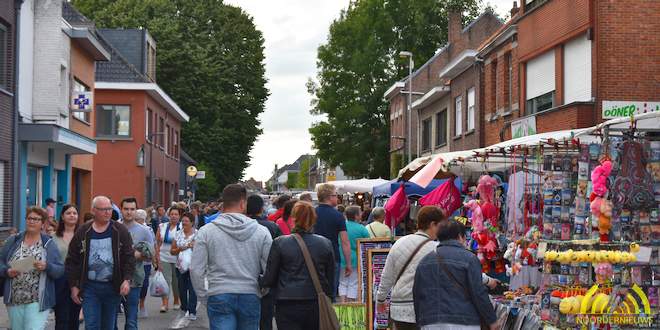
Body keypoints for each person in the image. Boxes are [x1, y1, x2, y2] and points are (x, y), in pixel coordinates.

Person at [191, 184, 273, 330]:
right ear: (242, 203)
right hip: (250, 293)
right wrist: (263, 290)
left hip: (219, 292)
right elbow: (270, 268)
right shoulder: (262, 232)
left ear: (223, 204)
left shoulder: (206, 232)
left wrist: (204, 296)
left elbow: (196, 269)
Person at [260, 201, 335, 330]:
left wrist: (258, 279)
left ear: (293, 219)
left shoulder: (280, 243)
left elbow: (270, 278)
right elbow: (330, 278)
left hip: (287, 302)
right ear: (313, 219)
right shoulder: (325, 243)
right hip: (315, 300)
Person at [413, 219, 498, 330]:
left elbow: (417, 294)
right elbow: (478, 293)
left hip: (430, 322)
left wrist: (420, 321)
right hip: (464, 321)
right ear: (460, 236)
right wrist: (491, 320)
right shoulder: (469, 259)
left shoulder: (424, 261)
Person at [66, 196, 135, 330]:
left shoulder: (120, 230)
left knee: (108, 326)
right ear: (93, 211)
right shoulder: (83, 231)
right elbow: (72, 260)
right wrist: (74, 286)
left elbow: (129, 258)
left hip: (112, 286)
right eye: (103, 209)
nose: (107, 212)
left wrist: (126, 279)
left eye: (109, 209)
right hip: (90, 287)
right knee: (91, 325)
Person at [375, 206, 444, 330]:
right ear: (433, 224)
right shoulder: (436, 249)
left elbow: (387, 276)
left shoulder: (399, 243)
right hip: (424, 309)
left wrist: (380, 300)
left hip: (398, 309)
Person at [0, 206, 64, 330]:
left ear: (43, 223)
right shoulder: (13, 241)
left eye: (36, 219)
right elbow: (1, 262)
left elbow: (59, 270)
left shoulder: (48, 244)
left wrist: (47, 266)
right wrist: (7, 271)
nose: (32, 221)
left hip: (38, 300)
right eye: (29, 218)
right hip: (14, 298)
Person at [117, 198, 154, 330]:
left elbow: (151, 254)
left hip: (134, 278)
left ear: (136, 210)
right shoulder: (113, 227)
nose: (129, 212)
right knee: (110, 320)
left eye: (132, 209)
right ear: (121, 209)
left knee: (131, 320)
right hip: (113, 279)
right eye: (126, 209)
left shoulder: (144, 231)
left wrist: (138, 255)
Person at [246, 194, 281, 330]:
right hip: (267, 279)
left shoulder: (241, 226)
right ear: (261, 208)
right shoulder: (272, 227)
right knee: (265, 319)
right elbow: (280, 253)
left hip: (246, 276)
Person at [313, 183, 352, 299]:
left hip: (313, 256)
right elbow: (345, 242)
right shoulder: (338, 216)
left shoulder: (312, 213)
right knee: (330, 292)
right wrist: (348, 263)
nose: (337, 198)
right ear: (330, 197)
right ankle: (329, 315)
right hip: (332, 256)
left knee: (314, 291)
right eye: (336, 195)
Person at [53, 204, 82, 330]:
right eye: (68, 213)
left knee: (74, 318)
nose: (72, 215)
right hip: (60, 281)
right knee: (61, 318)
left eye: (74, 213)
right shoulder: (53, 237)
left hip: (78, 280)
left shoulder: (83, 236)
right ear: (62, 217)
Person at [170, 213, 198, 323]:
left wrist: (195, 246)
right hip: (180, 266)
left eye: (186, 221)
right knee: (181, 289)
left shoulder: (198, 234)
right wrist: (181, 248)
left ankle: (192, 311)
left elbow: (202, 250)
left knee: (192, 289)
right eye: (183, 221)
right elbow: (172, 251)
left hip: (194, 267)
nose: (184, 223)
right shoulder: (178, 234)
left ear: (192, 222)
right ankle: (184, 308)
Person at [338, 206, 370, 302]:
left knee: (342, 282)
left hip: (341, 256)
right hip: (356, 259)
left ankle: (343, 303)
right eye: (360, 213)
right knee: (353, 282)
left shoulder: (342, 226)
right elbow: (368, 244)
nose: (361, 214)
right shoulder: (362, 229)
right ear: (356, 216)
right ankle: (350, 306)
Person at [155, 207, 182, 313]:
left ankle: (176, 301)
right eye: (172, 214)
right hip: (164, 256)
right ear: (169, 215)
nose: (174, 216)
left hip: (178, 258)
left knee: (176, 282)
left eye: (176, 214)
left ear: (179, 216)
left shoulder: (182, 227)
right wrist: (157, 259)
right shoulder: (162, 226)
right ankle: (165, 303)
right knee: (165, 281)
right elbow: (157, 243)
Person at [134, 209, 155, 318]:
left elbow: (152, 245)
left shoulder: (148, 230)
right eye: (137, 219)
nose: (138, 221)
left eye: (140, 219)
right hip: (132, 262)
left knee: (144, 284)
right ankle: (133, 304)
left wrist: (153, 258)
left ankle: (141, 304)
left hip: (145, 263)